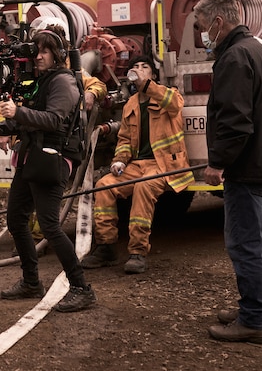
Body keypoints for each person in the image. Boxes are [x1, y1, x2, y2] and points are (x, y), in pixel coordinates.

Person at [193, 0, 262, 344]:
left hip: (248, 169)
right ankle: (255, 309)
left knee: (245, 246)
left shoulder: (235, 57)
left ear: (218, 23)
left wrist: (218, 163)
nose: (201, 34)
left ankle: (253, 320)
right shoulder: (259, 51)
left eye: (202, 27)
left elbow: (236, 121)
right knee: (257, 244)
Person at [0, 25, 97, 313]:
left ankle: (81, 287)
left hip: (51, 160)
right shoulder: (42, 80)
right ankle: (31, 281)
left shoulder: (64, 82)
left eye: (45, 50)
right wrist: (2, 128)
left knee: (50, 227)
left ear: (57, 53)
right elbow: (29, 121)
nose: (39, 56)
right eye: (37, 50)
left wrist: (17, 112)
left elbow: (54, 120)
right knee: (16, 220)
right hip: (31, 159)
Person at [81, 55, 194, 275]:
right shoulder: (130, 105)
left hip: (164, 166)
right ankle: (106, 247)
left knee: (144, 187)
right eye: (135, 66)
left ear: (152, 75)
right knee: (104, 186)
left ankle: (137, 252)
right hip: (136, 166)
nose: (139, 69)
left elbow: (175, 104)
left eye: (145, 67)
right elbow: (124, 140)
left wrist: (148, 86)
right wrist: (119, 161)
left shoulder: (167, 94)